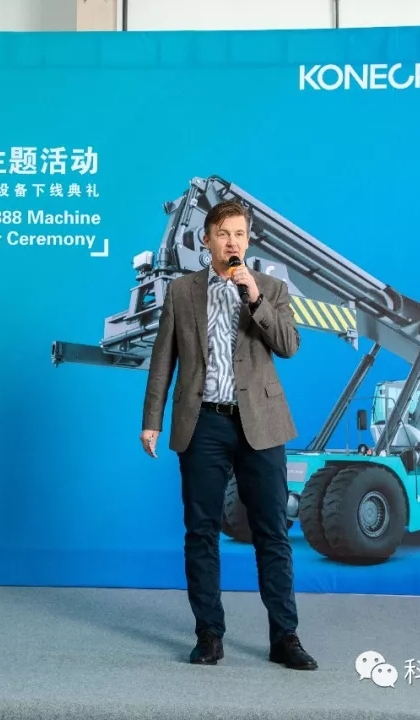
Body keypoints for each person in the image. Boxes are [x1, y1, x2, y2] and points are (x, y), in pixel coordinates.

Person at [139, 200, 317, 670]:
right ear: (207, 240)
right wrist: (152, 419)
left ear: (248, 239)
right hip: (203, 422)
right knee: (201, 530)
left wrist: (254, 297)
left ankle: (285, 637)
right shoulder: (182, 291)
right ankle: (209, 635)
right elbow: (163, 359)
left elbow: (289, 346)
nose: (231, 242)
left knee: (272, 531)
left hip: (261, 422)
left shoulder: (271, 288)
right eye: (223, 234)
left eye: (239, 233)